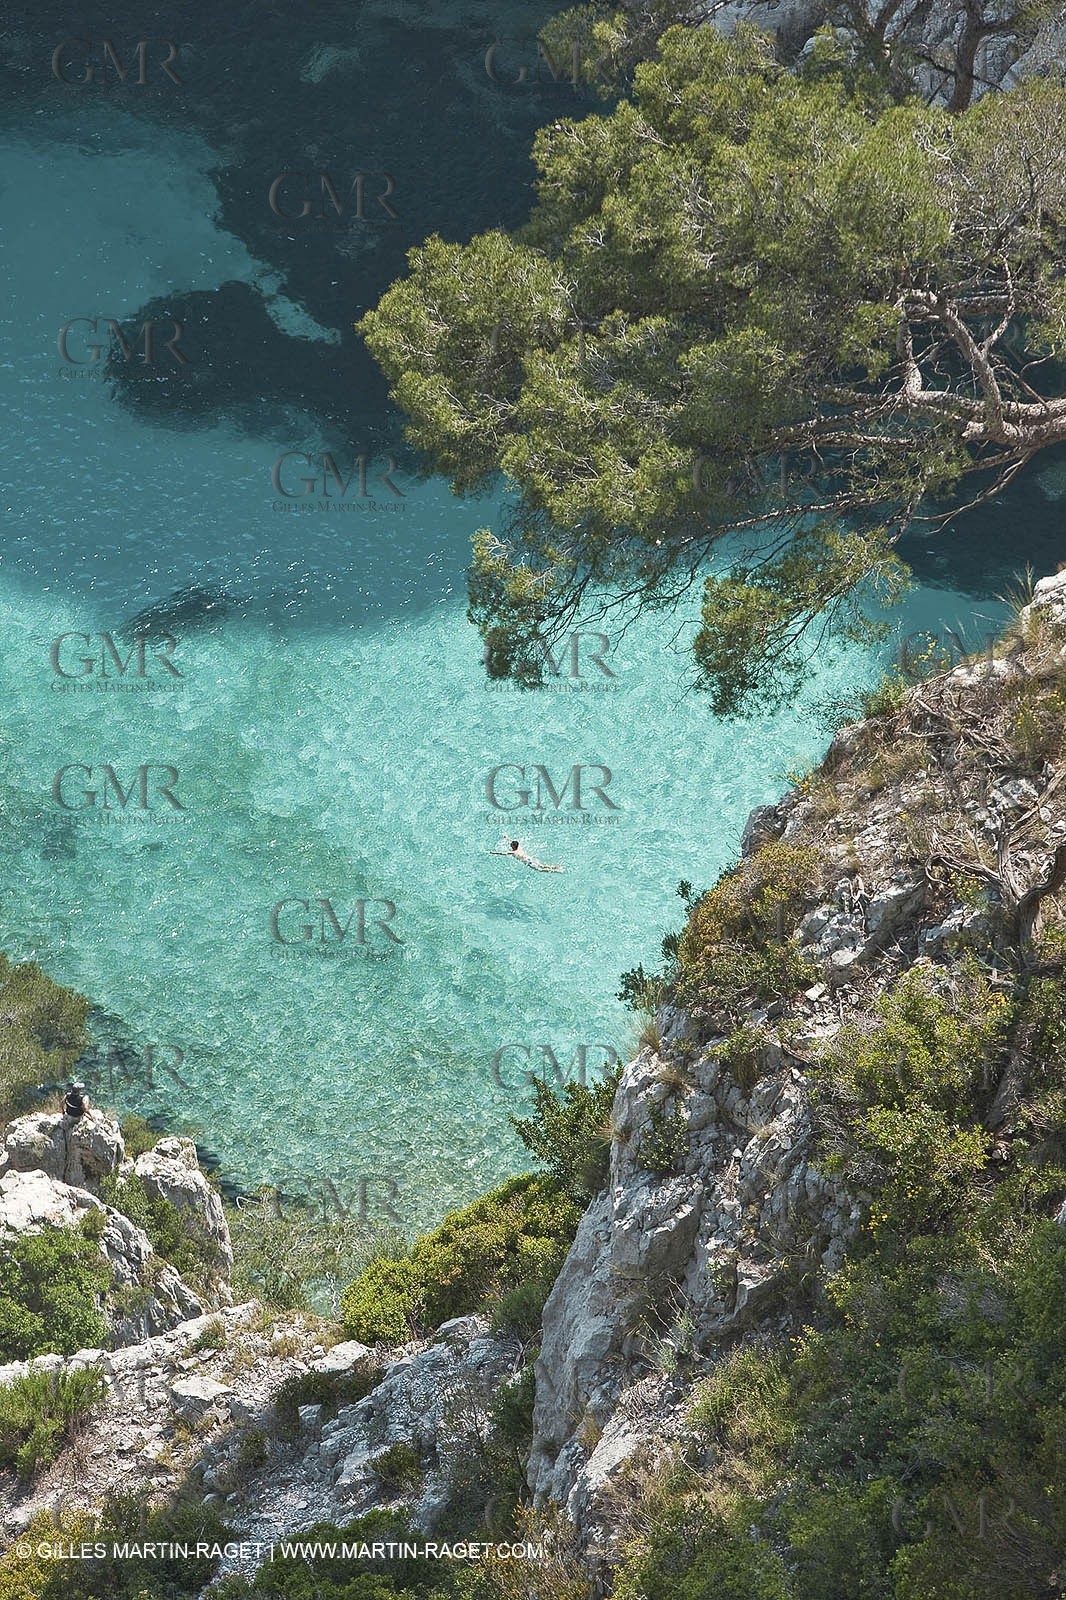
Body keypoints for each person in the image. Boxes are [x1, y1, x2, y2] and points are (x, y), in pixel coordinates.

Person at [489, 838, 564, 873]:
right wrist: (507, 837)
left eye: (511, 846)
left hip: (528, 862)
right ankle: (557, 867)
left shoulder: (514, 852)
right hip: (530, 858)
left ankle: (556, 870)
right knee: (542, 865)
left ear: (513, 847)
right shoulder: (519, 848)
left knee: (540, 869)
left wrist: (492, 852)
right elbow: (513, 840)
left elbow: (503, 853)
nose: (510, 846)